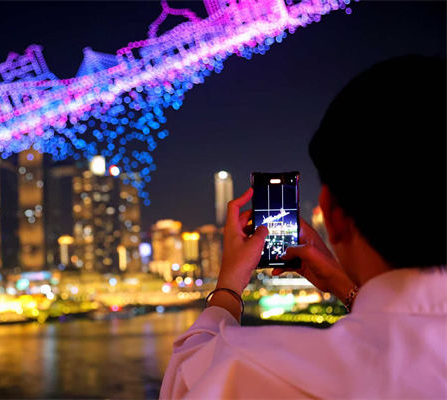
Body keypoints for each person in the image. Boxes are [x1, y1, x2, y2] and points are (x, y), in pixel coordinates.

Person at [160, 55, 446, 399]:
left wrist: (228, 287)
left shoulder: (254, 369)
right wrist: (344, 286)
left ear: (333, 216)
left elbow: (184, 380)